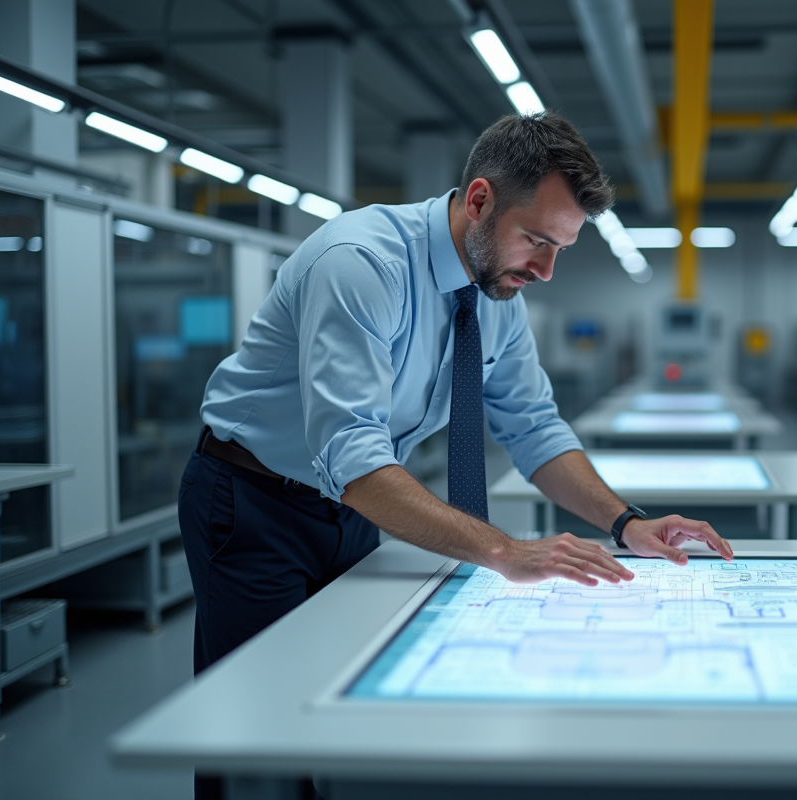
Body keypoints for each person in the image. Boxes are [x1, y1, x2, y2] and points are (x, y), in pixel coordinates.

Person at [178, 111, 733, 798]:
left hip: (351, 509)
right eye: (536, 240)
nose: (547, 270)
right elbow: (351, 457)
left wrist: (626, 522)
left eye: (561, 248)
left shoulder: (498, 294)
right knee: (257, 731)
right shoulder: (361, 264)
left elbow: (534, 427)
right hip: (251, 500)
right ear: (480, 201)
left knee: (341, 700)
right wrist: (505, 551)